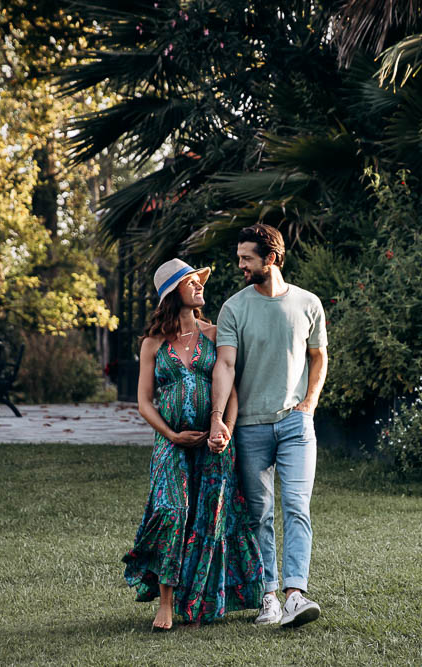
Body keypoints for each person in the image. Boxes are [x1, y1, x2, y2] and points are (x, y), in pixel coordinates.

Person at [123, 258, 265, 631]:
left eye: (197, 280)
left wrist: (226, 430)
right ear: (172, 294)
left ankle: (198, 601)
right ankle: (166, 602)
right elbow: (143, 401)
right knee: (173, 511)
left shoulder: (215, 334)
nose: (199, 285)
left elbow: (231, 388)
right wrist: (171, 435)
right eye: (190, 281)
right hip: (170, 443)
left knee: (208, 518)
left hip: (214, 443)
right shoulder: (152, 344)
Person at [209, 224, 328, 628]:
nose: (240, 264)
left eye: (247, 258)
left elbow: (319, 357)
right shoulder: (234, 308)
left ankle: (296, 594)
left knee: (297, 507)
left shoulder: (309, 303)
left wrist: (309, 404)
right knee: (259, 514)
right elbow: (224, 365)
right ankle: (268, 597)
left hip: (296, 425)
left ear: (271, 259)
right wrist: (219, 420)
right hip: (250, 428)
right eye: (240, 257)